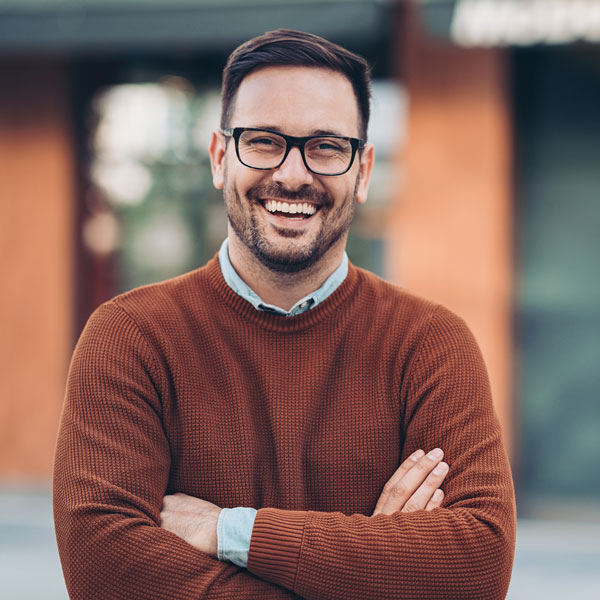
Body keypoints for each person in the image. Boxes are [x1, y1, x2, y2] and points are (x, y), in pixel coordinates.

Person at [53, 29, 516, 600]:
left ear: (363, 171)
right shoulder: (130, 338)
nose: (293, 174)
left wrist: (231, 531)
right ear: (222, 158)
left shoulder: (431, 343)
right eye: (265, 141)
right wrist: (374, 562)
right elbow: (106, 576)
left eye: (326, 146)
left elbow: (478, 564)